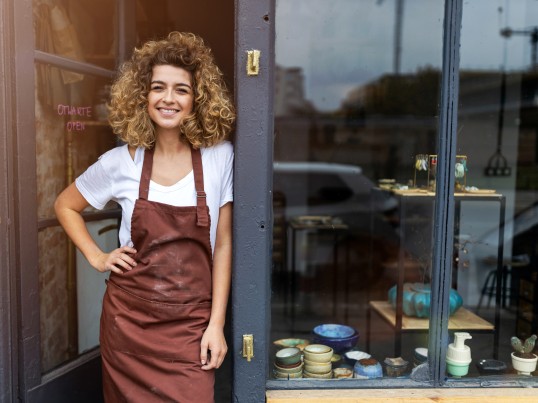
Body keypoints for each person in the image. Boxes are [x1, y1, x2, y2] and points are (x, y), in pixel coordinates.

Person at [54, 31, 235, 402]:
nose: (169, 99)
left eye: (181, 89)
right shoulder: (122, 162)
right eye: (158, 87)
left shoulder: (219, 157)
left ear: (198, 98)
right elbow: (65, 205)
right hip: (129, 325)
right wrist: (98, 256)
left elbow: (224, 243)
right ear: (143, 96)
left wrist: (216, 325)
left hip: (190, 325)